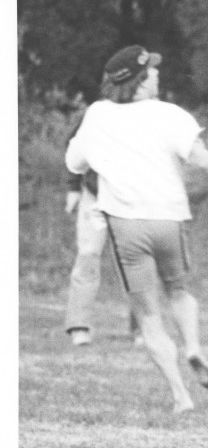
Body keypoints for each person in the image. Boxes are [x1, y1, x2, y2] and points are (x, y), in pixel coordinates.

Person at [66, 45, 208, 413]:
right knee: (180, 292)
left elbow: (74, 163)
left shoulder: (98, 115)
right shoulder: (171, 115)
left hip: (127, 228)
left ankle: (181, 395)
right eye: (151, 70)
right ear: (138, 81)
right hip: (169, 221)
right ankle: (194, 347)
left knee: (148, 314)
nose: (157, 74)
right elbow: (202, 159)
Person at [63, 117, 140, 347]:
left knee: (135, 261)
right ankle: (79, 326)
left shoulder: (147, 115)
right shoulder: (96, 114)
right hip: (94, 196)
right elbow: (75, 149)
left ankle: (143, 328)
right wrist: (73, 187)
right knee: (87, 256)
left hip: (131, 199)